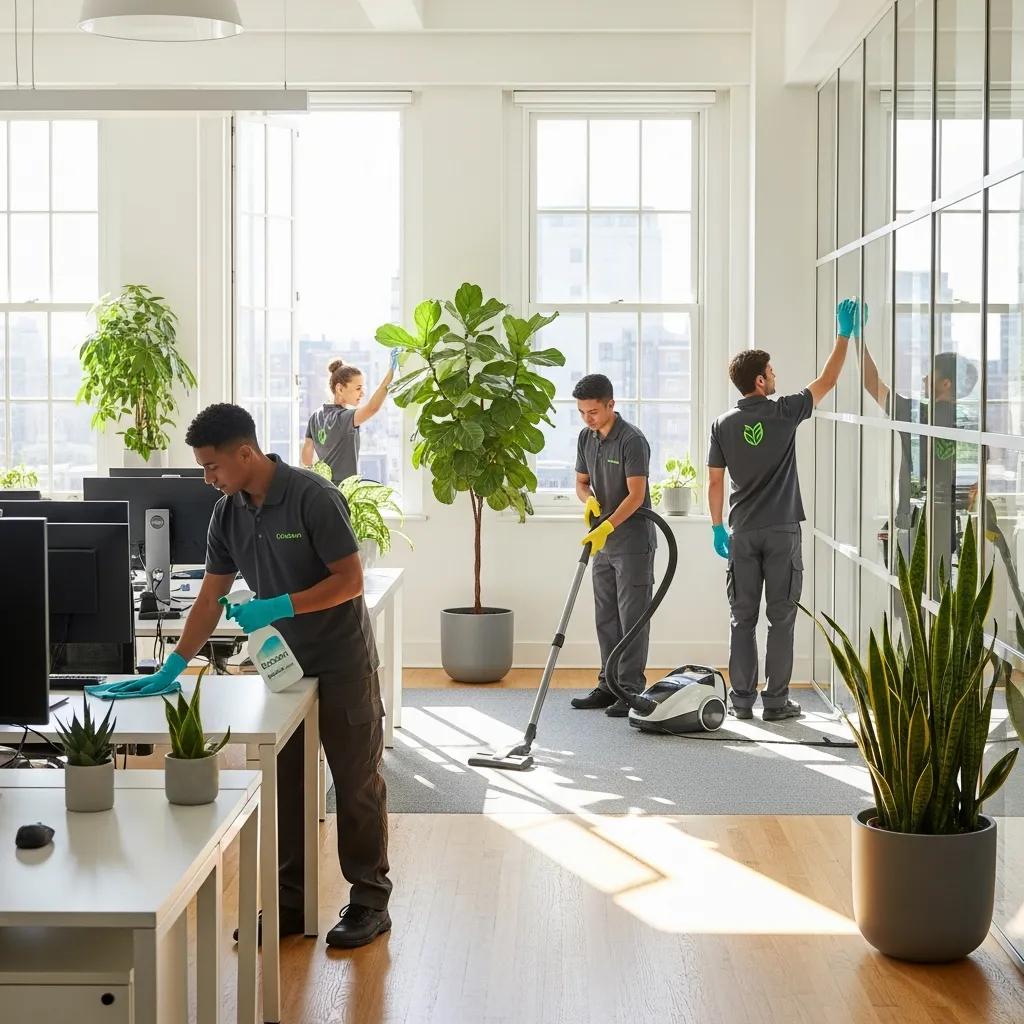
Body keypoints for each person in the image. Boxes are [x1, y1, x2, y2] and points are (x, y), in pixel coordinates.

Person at [123, 403, 392, 949]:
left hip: (341, 659)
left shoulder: (315, 497)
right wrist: (175, 663)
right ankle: (290, 904)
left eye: (212, 466)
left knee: (356, 781)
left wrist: (281, 606)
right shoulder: (227, 513)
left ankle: (369, 900)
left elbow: (351, 581)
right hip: (283, 669)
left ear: (245, 453)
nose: (207, 478)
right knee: (287, 785)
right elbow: (210, 594)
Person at [707, 300, 855, 721]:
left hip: (742, 531)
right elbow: (827, 380)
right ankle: (775, 703)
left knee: (742, 618)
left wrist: (718, 527)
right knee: (781, 618)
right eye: (771, 372)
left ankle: (740, 702)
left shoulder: (722, 424)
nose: (775, 377)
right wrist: (843, 333)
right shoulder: (784, 410)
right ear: (759, 380)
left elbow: (715, 481)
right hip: (782, 531)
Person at [569, 374, 657, 717]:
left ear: (611, 404)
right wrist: (588, 501)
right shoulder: (585, 438)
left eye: (592, 411)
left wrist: (606, 524)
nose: (587, 418)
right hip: (601, 544)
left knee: (631, 617)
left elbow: (636, 496)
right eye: (581, 412)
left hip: (633, 542)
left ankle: (629, 689)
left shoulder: (632, 440)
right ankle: (608, 685)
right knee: (605, 615)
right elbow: (580, 483)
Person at [301, 350, 400, 483]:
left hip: (323, 489)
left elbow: (307, 456)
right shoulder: (345, 418)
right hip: (344, 492)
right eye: (358, 388)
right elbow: (372, 408)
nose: (362, 393)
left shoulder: (315, 416)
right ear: (340, 389)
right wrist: (391, 373)